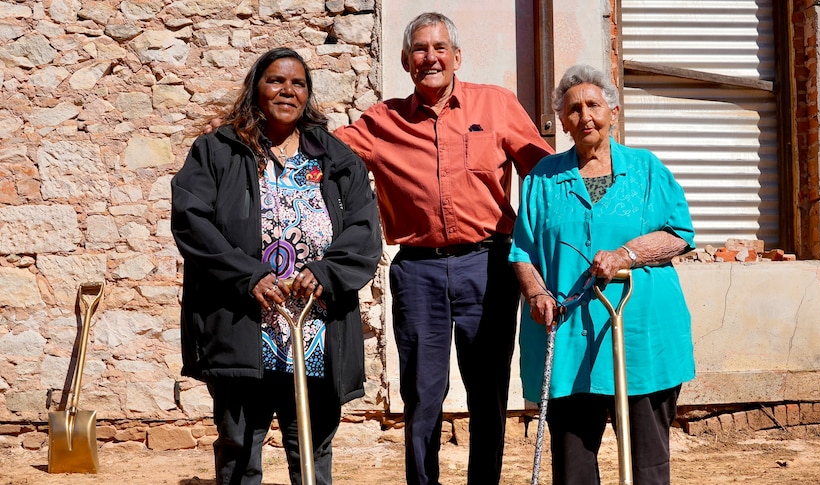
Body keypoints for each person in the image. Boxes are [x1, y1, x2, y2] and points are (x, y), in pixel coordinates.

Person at [334, 12, 553, 485]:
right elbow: (321, 158)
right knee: (422, 396)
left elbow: (546, 172)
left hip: (489, 266)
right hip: (417, 272)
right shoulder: (381, 121)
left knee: (488, 394)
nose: (429, 57)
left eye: (438, 48)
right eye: (419, 49)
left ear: (456, 57)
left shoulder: (495, 105)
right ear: (406, 61)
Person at [171, 47, 382, 485]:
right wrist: (249, 276)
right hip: (242, 325)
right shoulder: (218, 150)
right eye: (275, 80)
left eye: (298, 83)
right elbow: (192, 222)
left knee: (311, 450)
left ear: (308, 94)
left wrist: (326, 273)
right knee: (240, 449)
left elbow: (364, 232)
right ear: (256, 88)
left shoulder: (336, 159)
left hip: (315, 329)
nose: (287, 90)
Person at [509, 64, 696, 485]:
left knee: (647, 462)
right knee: (573, 465)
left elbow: (679, 234)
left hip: (641, 334)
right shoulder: (543, 178)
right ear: (562, 120)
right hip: (569, 336)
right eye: (573, 109)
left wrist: (628, 254)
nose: (585, 116)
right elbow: (522, 250)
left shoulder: (647, 169)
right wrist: (537, 292)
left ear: (613, 109)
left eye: (593, 104)